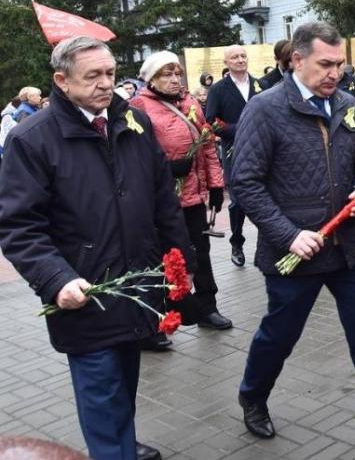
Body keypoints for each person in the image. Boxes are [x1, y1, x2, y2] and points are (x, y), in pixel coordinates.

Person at [231, 22, 355, 442]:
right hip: (298, 252)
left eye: (339, 64)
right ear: (297, 60)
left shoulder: (345, 102)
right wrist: (288, 235)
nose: (335, 73)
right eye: (325, 64)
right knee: (279, 335)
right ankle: (253, 396)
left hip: (349, 249)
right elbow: (246, 183)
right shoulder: (265, 109)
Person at [0, 36, 195, 460]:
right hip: (84, 298)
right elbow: (19, 226)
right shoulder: (32, 139)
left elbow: (164, 201)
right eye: (93, 76)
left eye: (109, 73)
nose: (107, 84)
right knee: (103, 405)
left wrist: (183, 265)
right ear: (62, 80)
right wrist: (57, 280)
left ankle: (123, 446)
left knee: (123, 392)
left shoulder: (134, 125)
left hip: (137, 290)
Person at [131, 51, 231, 331]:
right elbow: (135, 155)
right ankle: (159, 318)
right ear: (151, 78)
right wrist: (167, 168)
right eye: (167, 74)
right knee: (165, 257)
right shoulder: (139, 107)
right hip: (161, 201)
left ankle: (207, 308)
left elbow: (208, 146)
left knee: (200, 252)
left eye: (178, 73)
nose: (176, 80)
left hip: (194, 197)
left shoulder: (190, 103)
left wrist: (215, 186)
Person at [205, 44, 262, 266]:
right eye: (235, 57)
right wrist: (240, 130)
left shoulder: (260, 84)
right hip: (234, 151)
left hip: (263, 150)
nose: (240, 60)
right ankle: (236, 242)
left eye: (243, 56)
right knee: (238, 200)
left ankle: (269, 244)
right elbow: (210, 122)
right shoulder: (218, 89)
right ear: (226, 63)